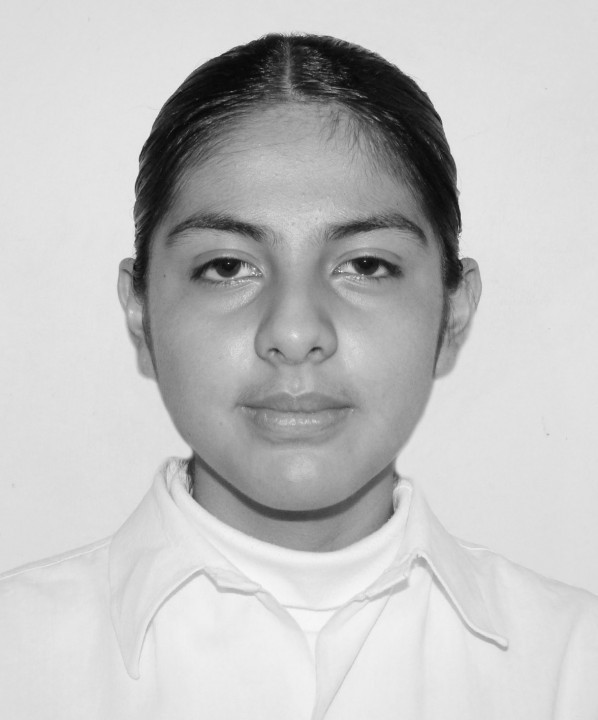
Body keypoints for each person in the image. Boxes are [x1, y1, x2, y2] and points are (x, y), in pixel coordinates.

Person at [1, 33, 597, 719]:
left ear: (454, 309)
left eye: (366, 266)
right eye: (227, 267)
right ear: (140, 310)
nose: (293, 331)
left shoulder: (574, 667)